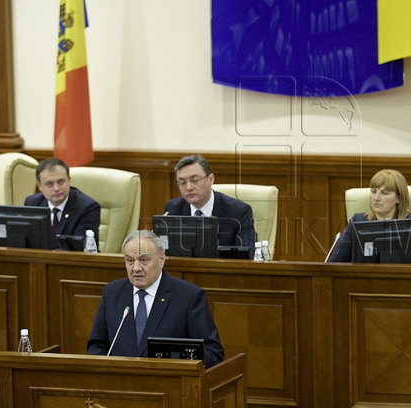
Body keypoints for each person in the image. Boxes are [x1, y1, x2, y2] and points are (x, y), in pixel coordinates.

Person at [87, 230, 224, 368]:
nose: (136, 268)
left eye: (144, 260)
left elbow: (213, 353)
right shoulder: (112, 292)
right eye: (130, 260)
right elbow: (97, 345)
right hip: (121, 383)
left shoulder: (189, 296)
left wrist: (179, 361)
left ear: (161, 259)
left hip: (169, 384)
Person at [329, 169, 411, 263]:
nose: (376, 198)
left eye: (384, 193)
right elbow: (335, 263)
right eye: (373, 191)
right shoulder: (357, 221)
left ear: (398, 198)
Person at [163, 154, 257, 253]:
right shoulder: (172, 209)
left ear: (211, 179)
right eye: (182, 183)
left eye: (195, 180)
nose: (189, 187)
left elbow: (247, 255)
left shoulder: (238, 212)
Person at [24, 157, 100, 250]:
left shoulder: (87, 207)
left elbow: (80, 247)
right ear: (39, 186)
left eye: (61, 182)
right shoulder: (32, 203)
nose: (56, 188)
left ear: (69, 180)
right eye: (49, 184)